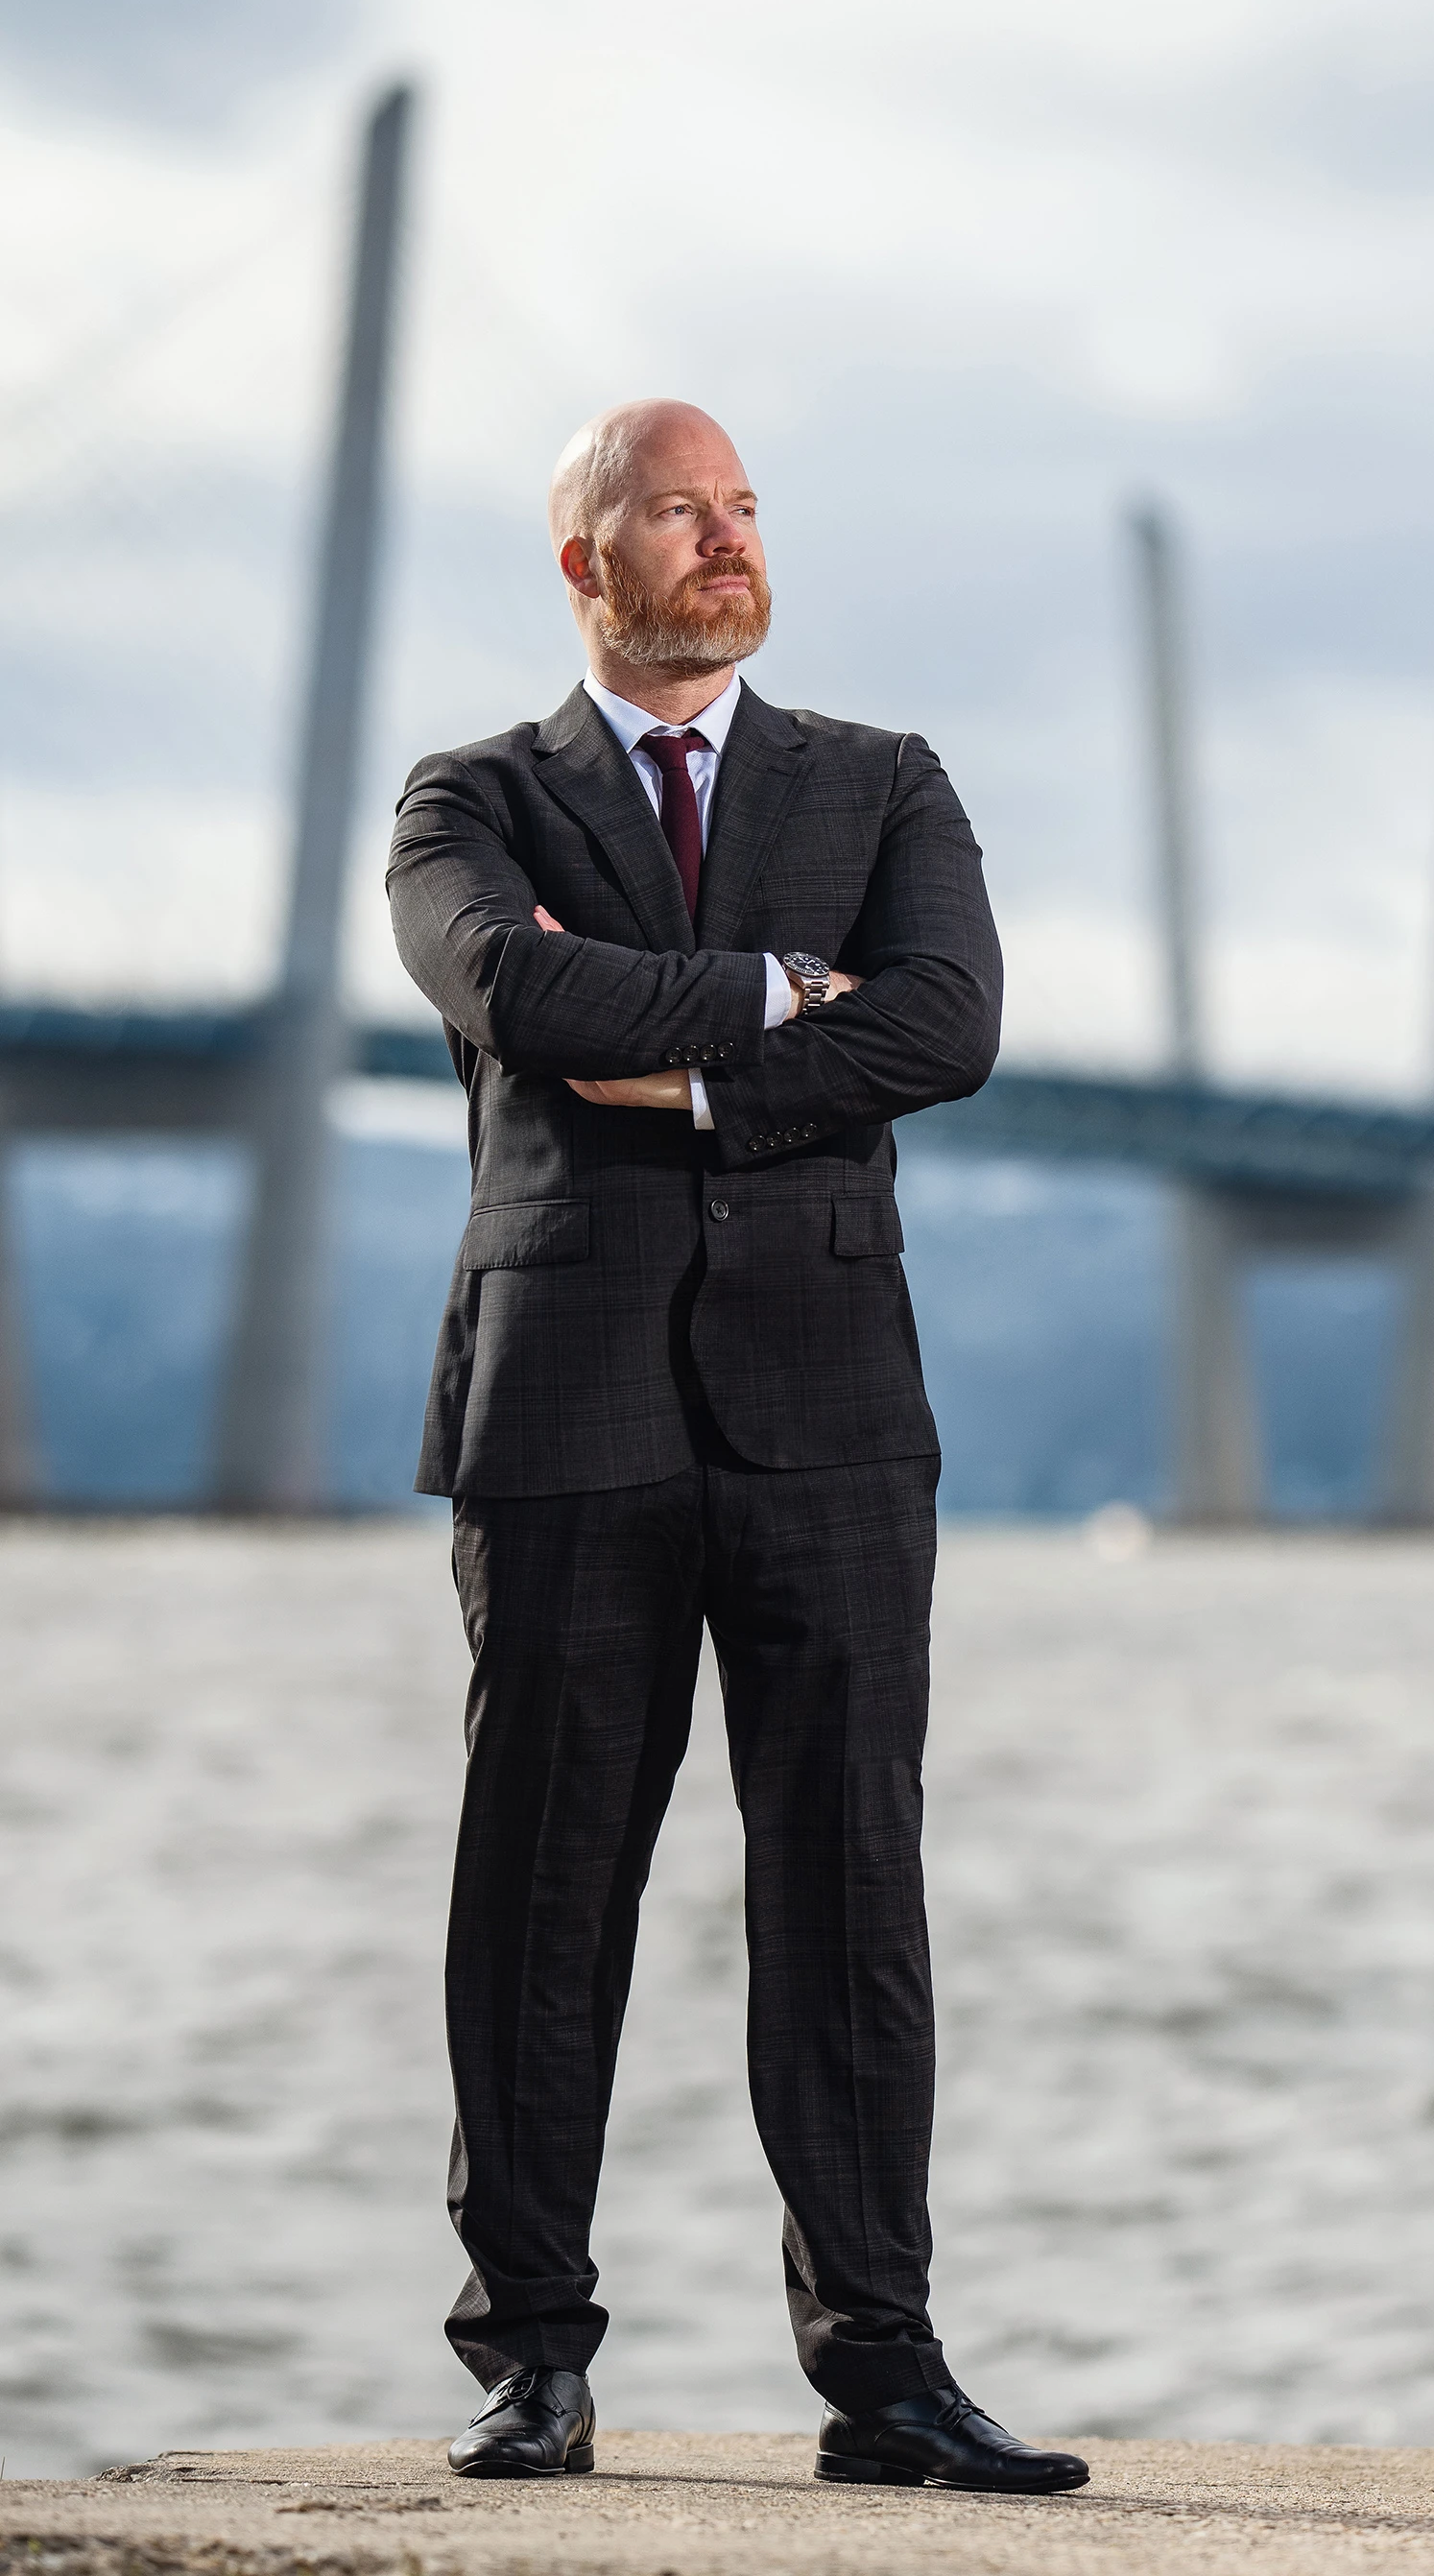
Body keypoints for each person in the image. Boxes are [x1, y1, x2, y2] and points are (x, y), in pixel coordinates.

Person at [385, 398, 1088, 2497]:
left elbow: (945, 1022)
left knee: (852, 1882)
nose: (727, 539)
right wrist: (784, 992)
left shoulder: (884, 782)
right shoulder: (465, 797)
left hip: (831, 1415)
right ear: (586, 557)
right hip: (566, 1402)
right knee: (543, 1885)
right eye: (681, 511)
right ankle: (530, 2362)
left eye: (747, 508)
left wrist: (691, 1065)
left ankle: (883, 2370)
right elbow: (513, 993)